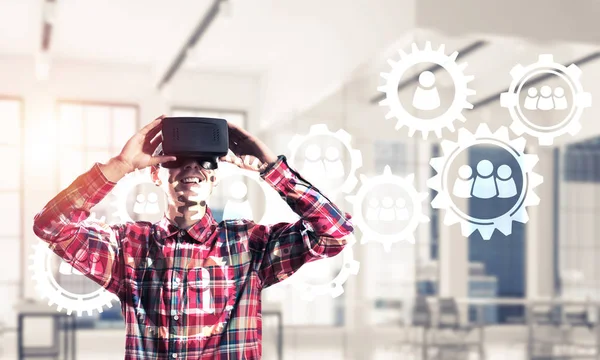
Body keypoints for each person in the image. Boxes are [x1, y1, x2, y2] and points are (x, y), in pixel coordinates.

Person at [32, 115, 354, 360]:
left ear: (214, 178)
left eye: (204, 161)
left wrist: (273, 169)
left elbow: (335, 232)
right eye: (180, 160)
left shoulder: (248, 245)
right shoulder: (129, 249)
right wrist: (119, 166)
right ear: (158, 174)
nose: (193, 168)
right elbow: (50, 226)